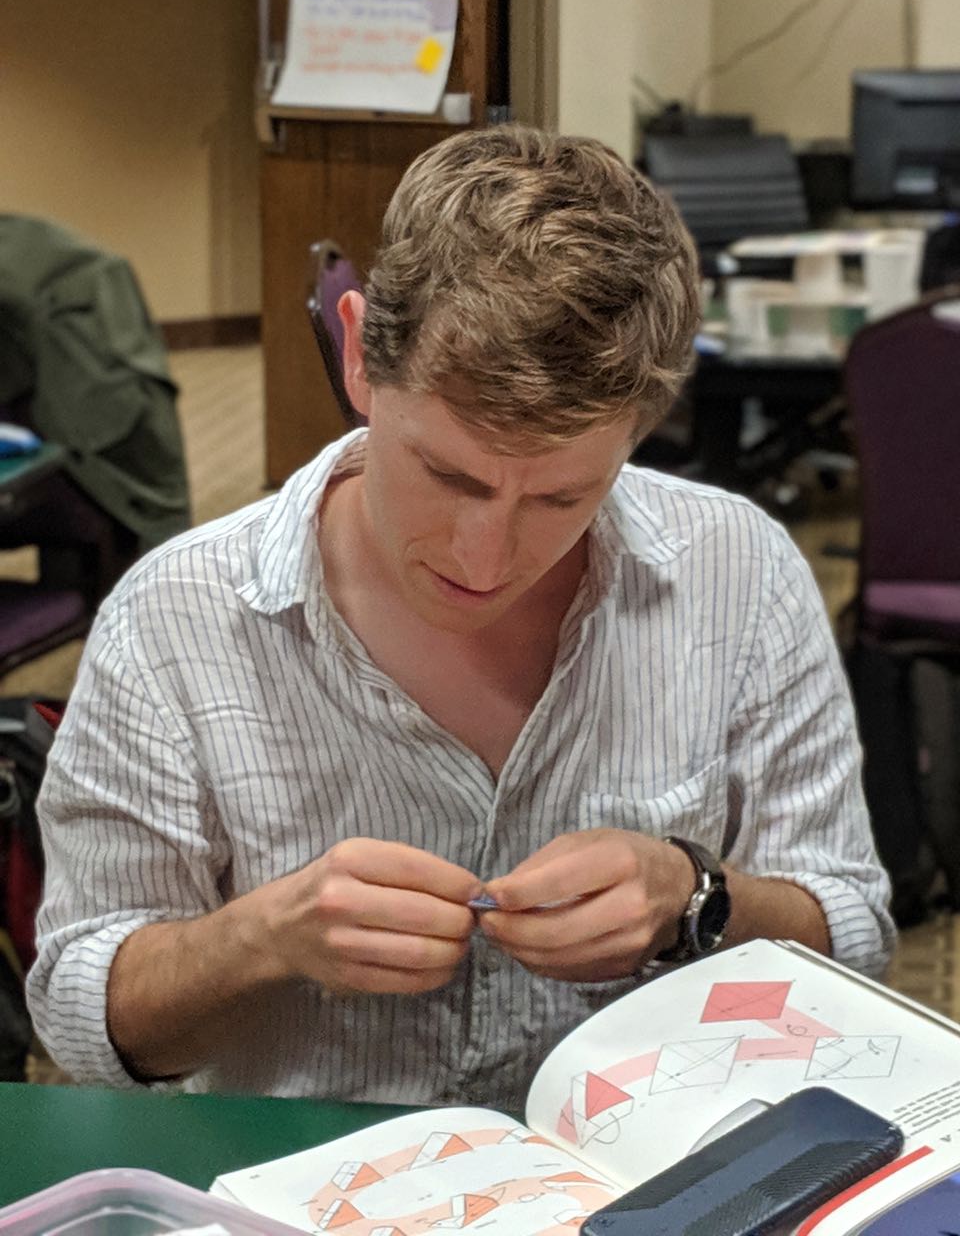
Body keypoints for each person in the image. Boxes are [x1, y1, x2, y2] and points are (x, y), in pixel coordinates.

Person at [27, 126, 894, 1108]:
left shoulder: (739, 571)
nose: (485, 561)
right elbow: (86, 1022)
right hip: (304, 1171)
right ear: (359, 355)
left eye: (562, 498)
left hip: (645, 1162)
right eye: (447, 474)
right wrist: (262, 938)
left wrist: (699, 897)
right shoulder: (174, 618)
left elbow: (852, 935)